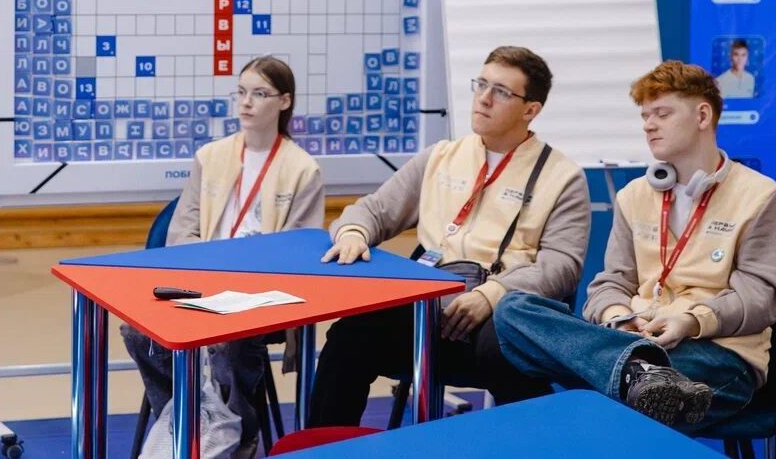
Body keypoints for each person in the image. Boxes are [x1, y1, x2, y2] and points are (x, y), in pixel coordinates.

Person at [308, 46, 591, 426]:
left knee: (507, 351)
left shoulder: (563, 177)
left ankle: (535, 444)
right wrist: (354, 233)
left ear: (530, 110)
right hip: (427, 310)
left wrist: (492, 294)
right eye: (481, 84)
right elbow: (373, 210)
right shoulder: (441, 156)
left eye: (501, 92)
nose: (484, 98)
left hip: (496, 316)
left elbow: (562, 266)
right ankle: (324, 448)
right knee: (349, 337)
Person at [495, 61, 776, 431]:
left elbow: (759, 298)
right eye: (645, 115)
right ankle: (635, 371)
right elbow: (611, 282)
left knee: (604, 396)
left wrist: (690, 321)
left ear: (702, 115)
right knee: (514, 308)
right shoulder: (634, 195)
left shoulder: (759, 195)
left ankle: (630, 373)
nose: (648, 125)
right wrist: (619, 316)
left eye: (662, 113)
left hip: (715, 352)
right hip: (637, 338)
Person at [123, 56, 324, 457]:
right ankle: (184, 421)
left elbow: (298, 251)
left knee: (232, 342)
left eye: (259, 94)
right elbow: (181, 232)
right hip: (202, 281)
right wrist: (205, 270)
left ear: (284, 101)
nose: (246, 102)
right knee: (137, 332)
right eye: (241, 92)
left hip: (259, 292)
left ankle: (240, 432)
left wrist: (243, 279)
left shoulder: (303, 170)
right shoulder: (210, 156)